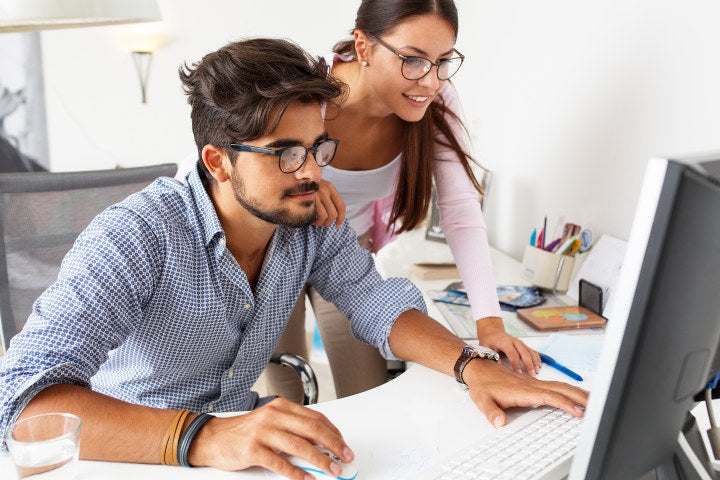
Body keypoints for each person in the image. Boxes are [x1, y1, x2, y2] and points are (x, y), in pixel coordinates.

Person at [0, 38, 587, 480]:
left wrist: (470, 364)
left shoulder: (307, 219)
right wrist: (205, 437)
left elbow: (375, 301)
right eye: (284, 154)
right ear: (218, 160)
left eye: (315, 149)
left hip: (236, 448)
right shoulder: (135, 237)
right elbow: (20, 401)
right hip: (132, 455)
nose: (311, 173)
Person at [260, 0, 543, 402]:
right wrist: (297, 187)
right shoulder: (304, 94)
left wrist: (490, 323)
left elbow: (461, 212)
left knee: (369, 390)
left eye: (443, 61)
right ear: (362, 46)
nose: (429, 81)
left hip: (343, 254)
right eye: (412, 60)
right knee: (285, 394)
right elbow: (221, 168)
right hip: (268, 251)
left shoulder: (436, 103)